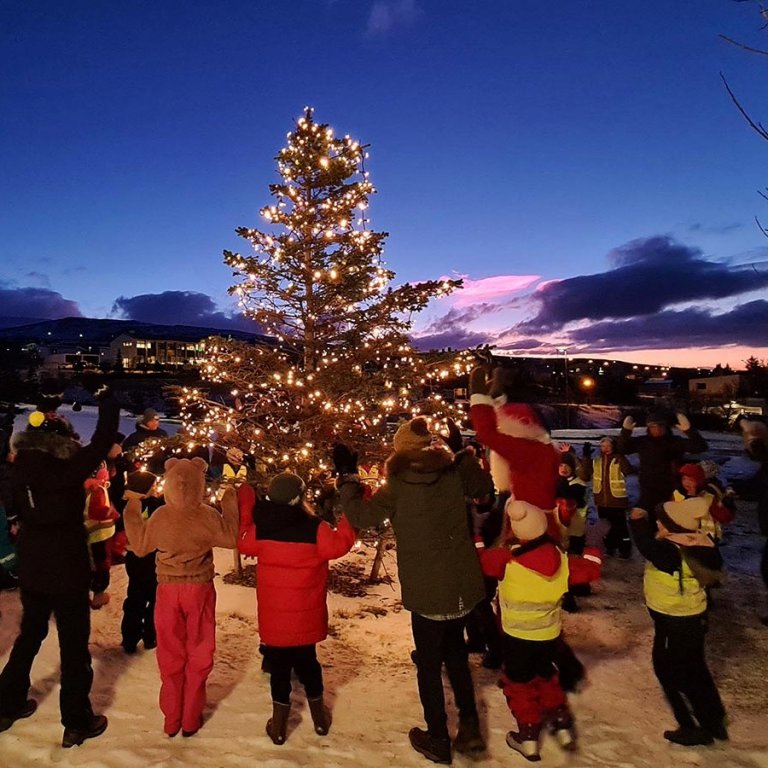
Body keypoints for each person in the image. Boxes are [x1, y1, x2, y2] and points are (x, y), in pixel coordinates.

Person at [335, 417, 494, 765]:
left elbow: (362, 516)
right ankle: (469, 729)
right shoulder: (453, 474)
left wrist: (347, 479)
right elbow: (484, 487)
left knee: (429, 664)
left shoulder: (397, 485)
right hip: (460, 587)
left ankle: (437, 737)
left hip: (427, 591)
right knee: (456, 657)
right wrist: (461, 452)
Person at [0, 386, 119, 747]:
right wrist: (106, 397)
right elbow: (102, 440)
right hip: (67, 567)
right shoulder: (70, 467)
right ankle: (76, 721)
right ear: (64, 441)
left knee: (29, 636)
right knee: (73, 646)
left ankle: (6, 705)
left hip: (34, 565)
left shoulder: (16, 470)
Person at [476, 498, 602, 761]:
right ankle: (562, 723)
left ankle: (528, 736)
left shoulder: (505, 560)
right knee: (546, 676)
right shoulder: (562, 560)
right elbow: (591, 570)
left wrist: (477, 537)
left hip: (516, 637)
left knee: (519, 685)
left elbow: (479, 560)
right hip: (548, 635)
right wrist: (594, 547)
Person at [237, 472, 356, 745]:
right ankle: (319, 720)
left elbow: (243, 540)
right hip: (305, 618)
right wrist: (352, 514)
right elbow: (340, 545)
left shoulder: (262, 528)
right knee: (309, 663)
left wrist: (246, 503)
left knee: (278, 670)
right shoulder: (316, 528)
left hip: (274, 619)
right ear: (300, 498)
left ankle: (278, 726)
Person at [123, 457, 238, 738]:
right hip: (199, 588)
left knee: (170, 652)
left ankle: (172, 717)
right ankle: (190, 716)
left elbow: (139, 546)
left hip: (167, 589)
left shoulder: (161, 515)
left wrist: (134, 506)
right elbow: (231, 538)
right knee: (200, 649)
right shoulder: (207, 515)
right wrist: (230, 502)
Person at [629, 502, 728, 746]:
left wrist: (637, 520)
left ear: (672, 527)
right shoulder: (700, 541)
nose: (658, 524)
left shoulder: (671, 551)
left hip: (673, 618)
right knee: (696, 668)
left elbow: (644, 544)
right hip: (693, 614)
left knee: (668, 670)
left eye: (661, 521)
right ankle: (714, 719)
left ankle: (692, 727)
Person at [618, 410, 707, 520]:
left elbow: (700, 447)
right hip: (647, 487)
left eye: (661, 426)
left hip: (670, 488)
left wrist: (689, 430)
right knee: (639, 516)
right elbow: (622, 449)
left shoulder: (674, 442)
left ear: (666, 427)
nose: (657, 429)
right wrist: (625, 432)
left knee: (667, 518)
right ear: (648, 428)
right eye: (653, 426)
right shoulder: (642, 441)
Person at [120, 470, 162, 654]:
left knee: (135, 596)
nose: (156, 488)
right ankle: (150, 636)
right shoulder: (152, 504)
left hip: (133, 558)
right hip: (150, 557)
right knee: (153, 598)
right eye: (153, 486)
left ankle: (130, 637)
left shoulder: (128, 503)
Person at [581, 437, 634, 558]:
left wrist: (621, 456)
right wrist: (586, 457)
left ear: (613, 446)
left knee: (620, 527)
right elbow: (586, 474)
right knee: (606, 527)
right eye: (603, 446)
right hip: (602, 501)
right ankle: (610, 548)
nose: (605, 449)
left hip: (617, 500)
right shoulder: (597, 460)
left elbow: (628, 470)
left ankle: (624, 550)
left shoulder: (618, 459)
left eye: (608, 446)